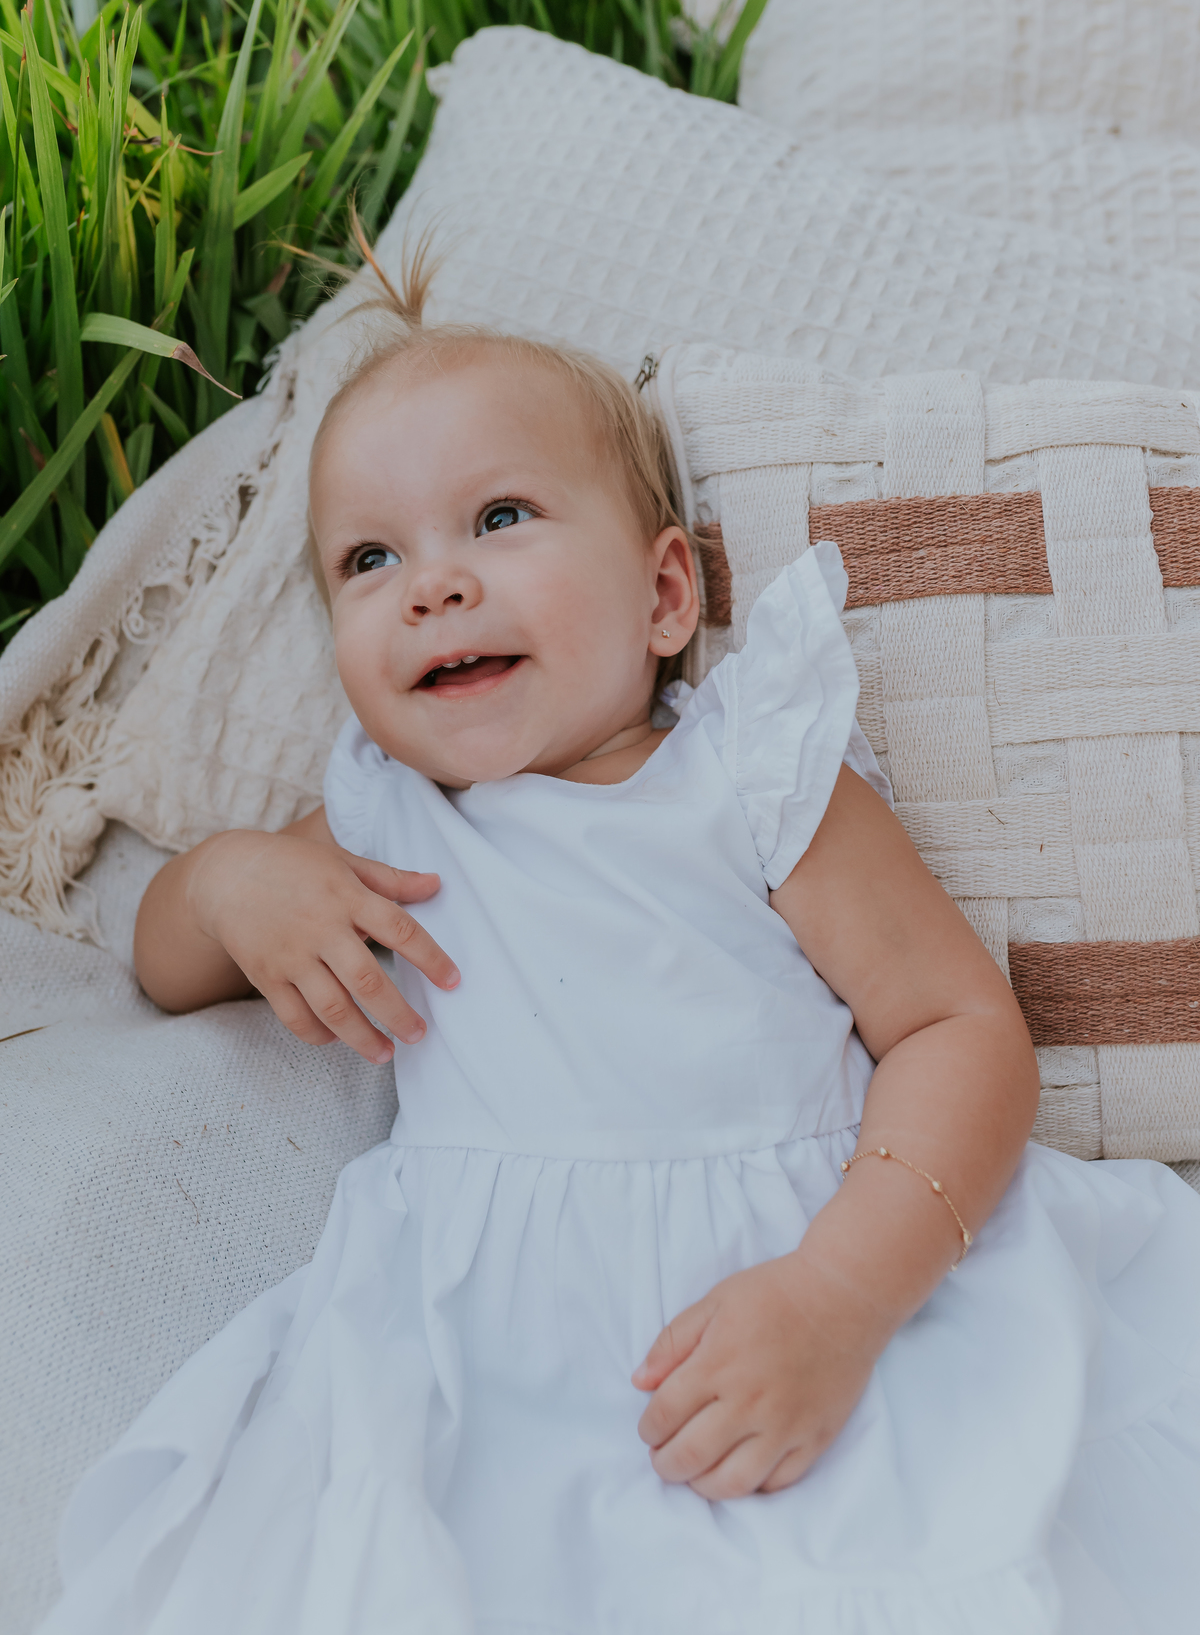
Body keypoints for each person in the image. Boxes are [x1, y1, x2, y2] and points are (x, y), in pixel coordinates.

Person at [42, 245, 1200, 1635]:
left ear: (664, 598)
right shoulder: (381, 818)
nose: (431, 585)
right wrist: (232, 883)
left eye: (500, 517)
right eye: (369, 558)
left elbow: (959, 1030)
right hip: (501, 1357)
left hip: (820, 1270)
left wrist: (842, 1291)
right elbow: (166, 964)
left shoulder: (748, 779)